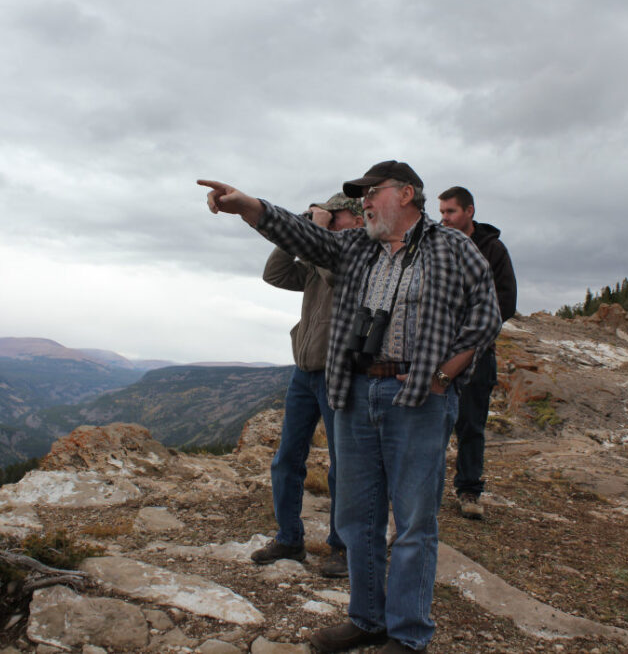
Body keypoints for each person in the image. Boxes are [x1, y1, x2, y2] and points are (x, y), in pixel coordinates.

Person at [199, 160, 501, 654]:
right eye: (359, 195)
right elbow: (302, 238)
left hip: (420, 398)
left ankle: (407, 635)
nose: (363, 201)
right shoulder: (357, 247)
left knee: (412, 523)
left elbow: (486, 318)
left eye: (370, 192)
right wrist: (248, 206)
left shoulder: (453, 247)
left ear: (406, 194)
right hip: (355, 393)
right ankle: (366, 619)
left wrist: (445, 374)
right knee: (356, 519)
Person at [252, 193, 364, 578]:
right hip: (305, 370)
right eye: (327, 217)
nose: (330, 222)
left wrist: (315, 233)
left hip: (339, 370)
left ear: (359, 218)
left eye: (337, 216)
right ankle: (289, 537)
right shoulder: (317, 265)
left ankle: (342, 545)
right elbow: (276, 275)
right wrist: (298, 233)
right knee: (287, 459)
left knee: (343, 466)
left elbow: (337, 272)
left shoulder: (361, 255)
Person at [438, 186, 518, 520]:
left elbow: (506, 303)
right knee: (432, 422)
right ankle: (422, 487)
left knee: (471, 425)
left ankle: (469, 491)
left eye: (450, 212)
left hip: (478, 352)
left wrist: (471, 327)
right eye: (441, 213)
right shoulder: (437, 244)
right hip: (439, 350)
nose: (444, 219)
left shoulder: (493, 250)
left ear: (470, 211)